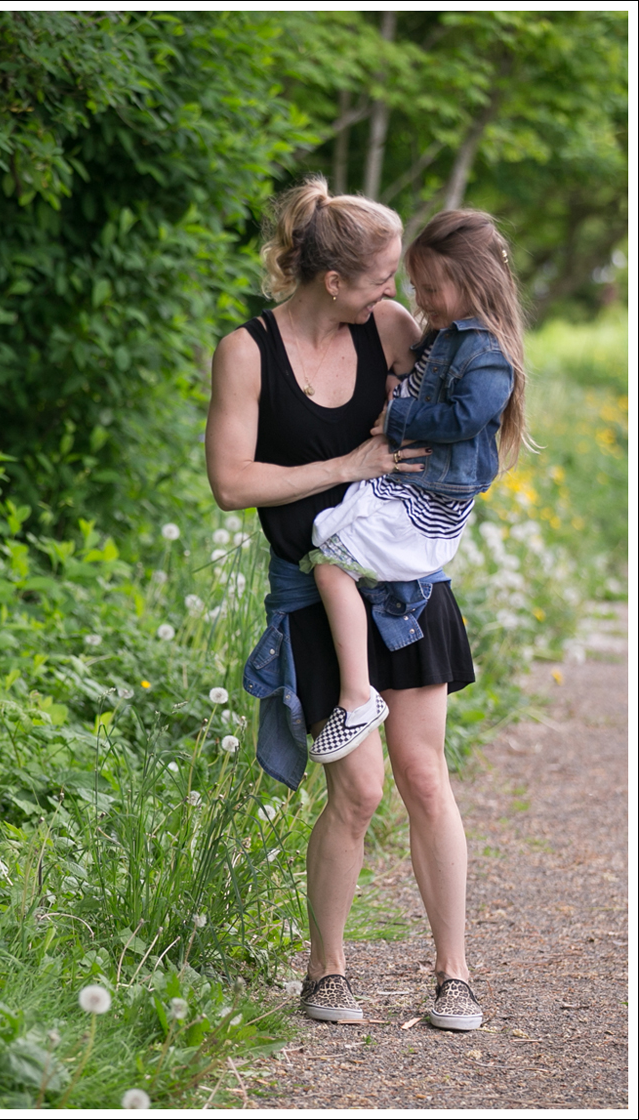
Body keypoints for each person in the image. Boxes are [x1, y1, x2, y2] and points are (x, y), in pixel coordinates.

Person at [206, 175, 484, 1030]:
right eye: (380, 279)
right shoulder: (247, 352)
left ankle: (455, 973)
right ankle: (325, 972)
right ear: (333, 281)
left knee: (423, 775)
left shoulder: (393, 330)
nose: (395, 294)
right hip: (314, 592)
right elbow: (230, 483)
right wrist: (345, 467)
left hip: (404, 585)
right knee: (358, 788)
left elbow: (471, 381)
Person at [302, 210, 526, 768]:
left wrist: (399, 419)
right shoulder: (449, 336)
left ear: (474, 282)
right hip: (412, 485)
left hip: (430, 496)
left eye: (431, 289)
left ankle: (357, 699)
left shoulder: (487, 351)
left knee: (330, 562)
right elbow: (424, 383)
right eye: (417, 288)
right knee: (332, 552)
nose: (420, 301)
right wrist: (400, 388)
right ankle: (359, 691)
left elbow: (465, 417)